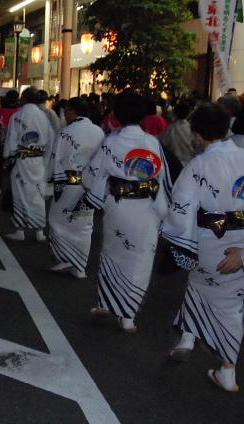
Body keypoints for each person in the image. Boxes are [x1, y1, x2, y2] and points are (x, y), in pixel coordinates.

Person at [162, 104, 244, 392]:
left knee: (226, 305)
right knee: (203, 291)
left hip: (210, 243)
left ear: (197, 134)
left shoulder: (198, 166)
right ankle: (187, 338)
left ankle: (228, 371)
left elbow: (181, 208)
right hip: (240, 245)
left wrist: (182, 247)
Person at [83, 91, 171, 333]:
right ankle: (127, 316)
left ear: (117, 114)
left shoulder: (111, 141)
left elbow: (93, 173)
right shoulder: (152, 142)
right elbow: (163, 179)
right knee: (140, 259)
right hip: (146, 208)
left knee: (113, 252)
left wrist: (97, 189)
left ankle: (106, 303)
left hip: (118, 205)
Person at [47, 97, 104, 278]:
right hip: (89, 186)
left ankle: (67, 258)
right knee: (84, 225)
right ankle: (79, 266)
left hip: (68, 184)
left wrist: (51, 180)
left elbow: (56, 159)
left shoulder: (66, 132)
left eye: (66, 110)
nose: (64, 113)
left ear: (73, 111)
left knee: (58, 220)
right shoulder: (99, 132)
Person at [2, 88, 54, 242]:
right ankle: (39, 231)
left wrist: (8, 157)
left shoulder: (18, 116)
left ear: (24, 98)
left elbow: (11, 138)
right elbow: (51, 140)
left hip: (22, 160)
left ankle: (20, 230)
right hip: (38, 161)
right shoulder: (44, 117)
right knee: (38, 195)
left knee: (20, 194)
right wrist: (46, 159)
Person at [160, 101, 196, 166]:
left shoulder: (171, 128)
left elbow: (163, 143)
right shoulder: (191, 128)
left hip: (174, 163)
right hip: (190, 162)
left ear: (175, 113)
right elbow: (195, 144)